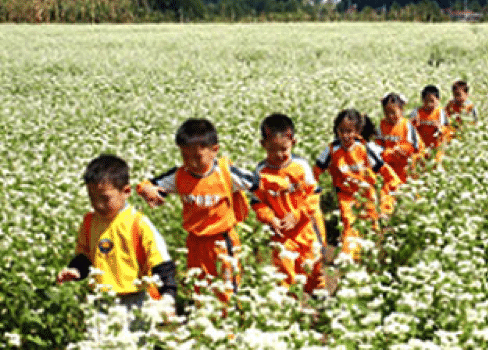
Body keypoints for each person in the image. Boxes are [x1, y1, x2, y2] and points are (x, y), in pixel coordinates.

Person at [136, 118, 258, 304]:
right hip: (195, 242)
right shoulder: (180, 175)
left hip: (223, 240)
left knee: (228, 288)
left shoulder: (225, 173)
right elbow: (150, 185)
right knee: (200, 286)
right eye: (186, 157)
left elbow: (257, 183)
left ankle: (229, 327)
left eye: (198, 157)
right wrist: (145, 190)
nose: (192, 162)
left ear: (214, 151)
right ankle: (204, 322)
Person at [57, 154, 177, 314]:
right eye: (92, 198)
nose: (98, 204)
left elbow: (160, 261)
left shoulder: (138, 223)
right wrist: (76, 270)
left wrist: (168, 295)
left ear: (126, 191)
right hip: (101, 300)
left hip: (137, 300)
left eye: (105, 198)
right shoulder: (89, 222)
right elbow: (86, 256)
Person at [251, 113, 325, 295]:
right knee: (285, 275)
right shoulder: (261, 172)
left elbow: (313, 196)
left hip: (306, 228)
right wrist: (270, 219)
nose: (279, 155)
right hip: (281, 235)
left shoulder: (300, 166)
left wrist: (298, 214)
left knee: (314, 268)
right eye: (273, 150)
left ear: (293, 142)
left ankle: (320, 304)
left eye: (284, 149)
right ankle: (290, 312)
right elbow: (258, 203)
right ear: (263, 145)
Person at [313, 109, 401, 259]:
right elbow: (316, 171)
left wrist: (393, 189)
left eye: (350, 131)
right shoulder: (331, 150)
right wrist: (312, 191)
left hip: (367, 196)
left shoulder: (364, 149)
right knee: (349, 225)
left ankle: (372, 260)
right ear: (336, 130)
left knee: (372, 228)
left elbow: (384, 170)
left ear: (357, 131)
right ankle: (349, 262)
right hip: (346, 197)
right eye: (342, 131)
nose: (346, 135)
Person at [375, 92, 422, 183]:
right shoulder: (382, 126)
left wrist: (401, 149)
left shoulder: (407, 125)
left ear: (401, 110)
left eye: (393, 112)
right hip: (389, 168)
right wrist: (387, 153)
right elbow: (378, 146)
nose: (390, 116)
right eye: (386, 113)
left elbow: (414, 146)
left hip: (405, 168)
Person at [409, 85, 448, 166]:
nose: (429, 104)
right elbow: (409, 130)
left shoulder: (441, 113)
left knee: (435, 167)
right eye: (426, 101)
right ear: (422, 100)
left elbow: (447, 130)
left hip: (437, 149)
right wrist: (415, 125)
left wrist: (440, 128)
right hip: (420, 149)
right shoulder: (416, 112)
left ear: (438, 100)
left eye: (432, 101)